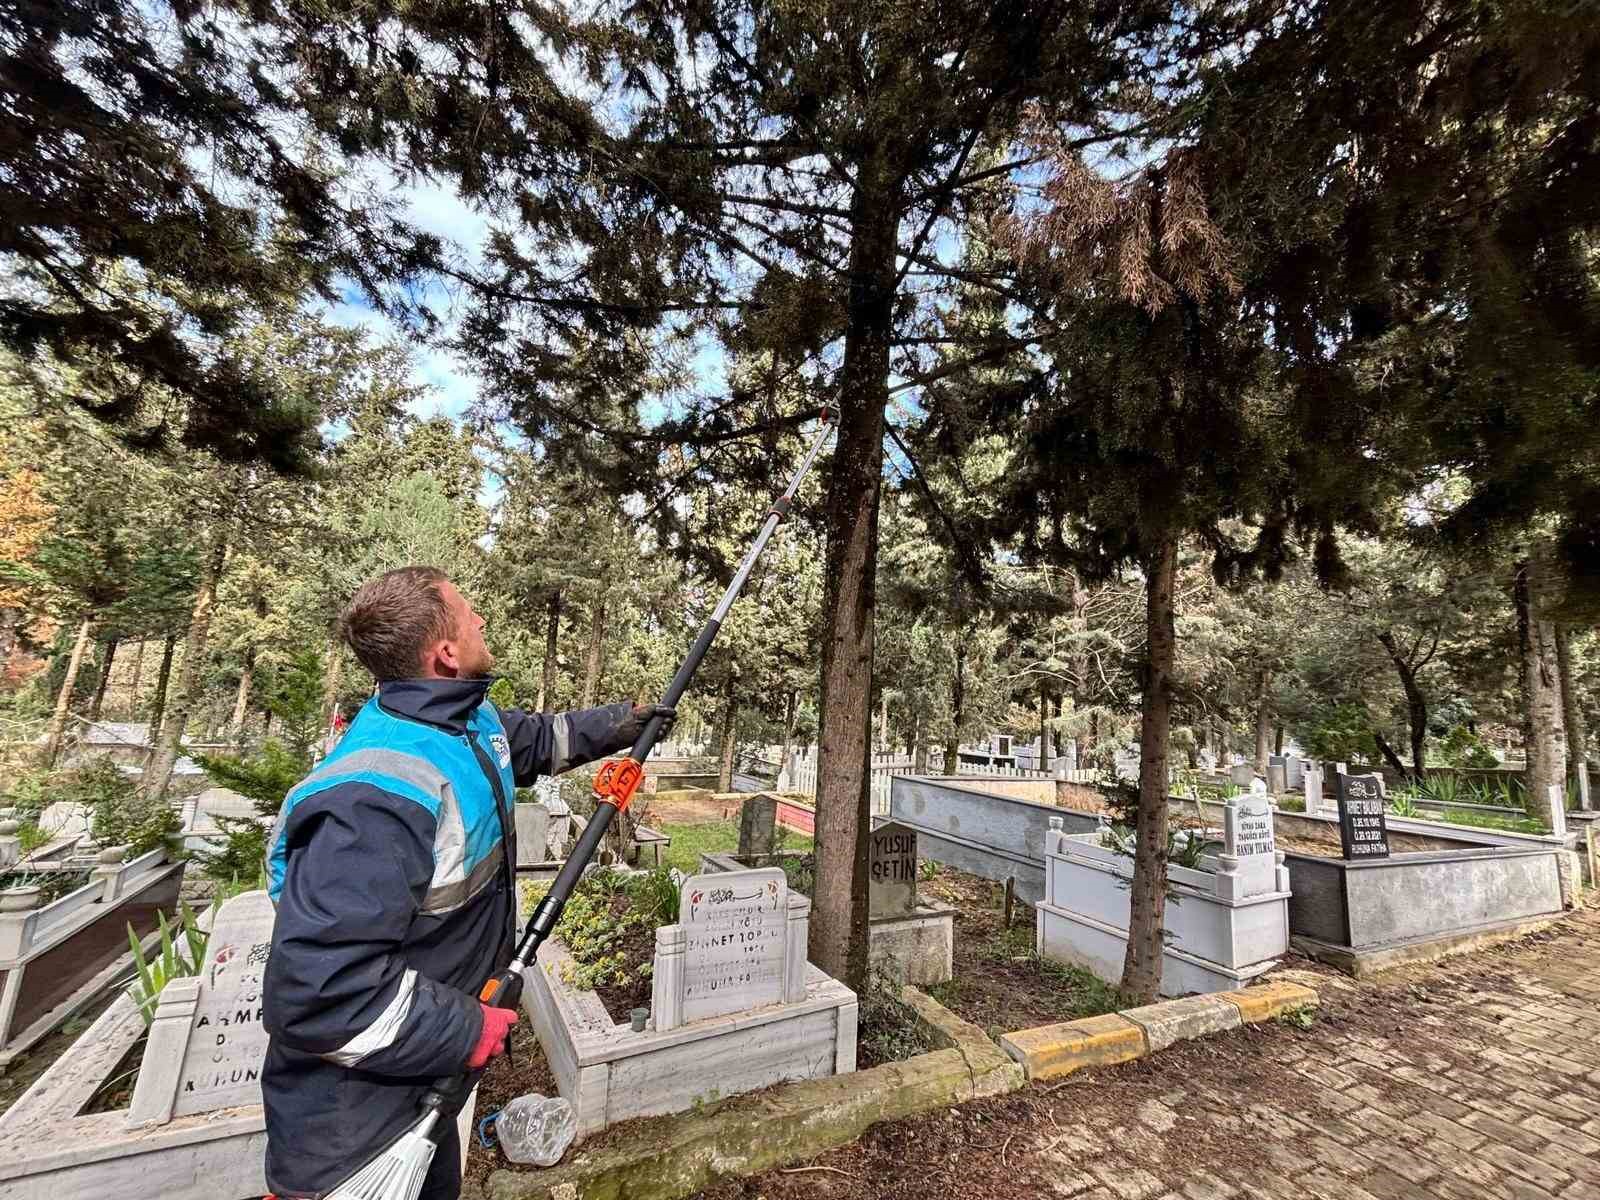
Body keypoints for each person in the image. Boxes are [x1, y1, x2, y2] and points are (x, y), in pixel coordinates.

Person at [261, 566, 673, 1200]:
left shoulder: (459, 722)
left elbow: (528, 741)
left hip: (421, 1071)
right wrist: (466, 1029)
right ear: (445, 653)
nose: (482, 620)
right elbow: (322, 994)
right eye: (469, 613)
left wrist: (623, 723)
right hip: (353, 1123)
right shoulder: (372, 800)